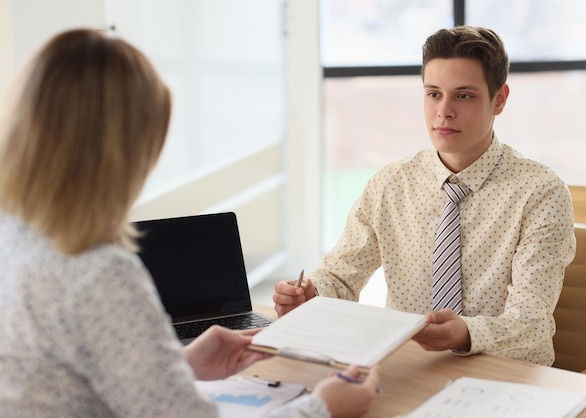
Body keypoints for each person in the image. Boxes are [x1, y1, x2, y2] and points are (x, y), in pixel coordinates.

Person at [0, 29, 379, 417]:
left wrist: (177, 367)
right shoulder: (98, 275)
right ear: (119, 155)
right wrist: (324, 407)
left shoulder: (12, 237)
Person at [274, 25, 575, 366]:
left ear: (500, 99)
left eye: (464, 96)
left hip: (507, 377)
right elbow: (340, 277)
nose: (443, 111)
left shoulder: (540, 193)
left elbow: (531, 326)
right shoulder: (391, 184)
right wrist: (310, 293)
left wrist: (465, 333)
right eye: (433, 93)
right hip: (409, 368)